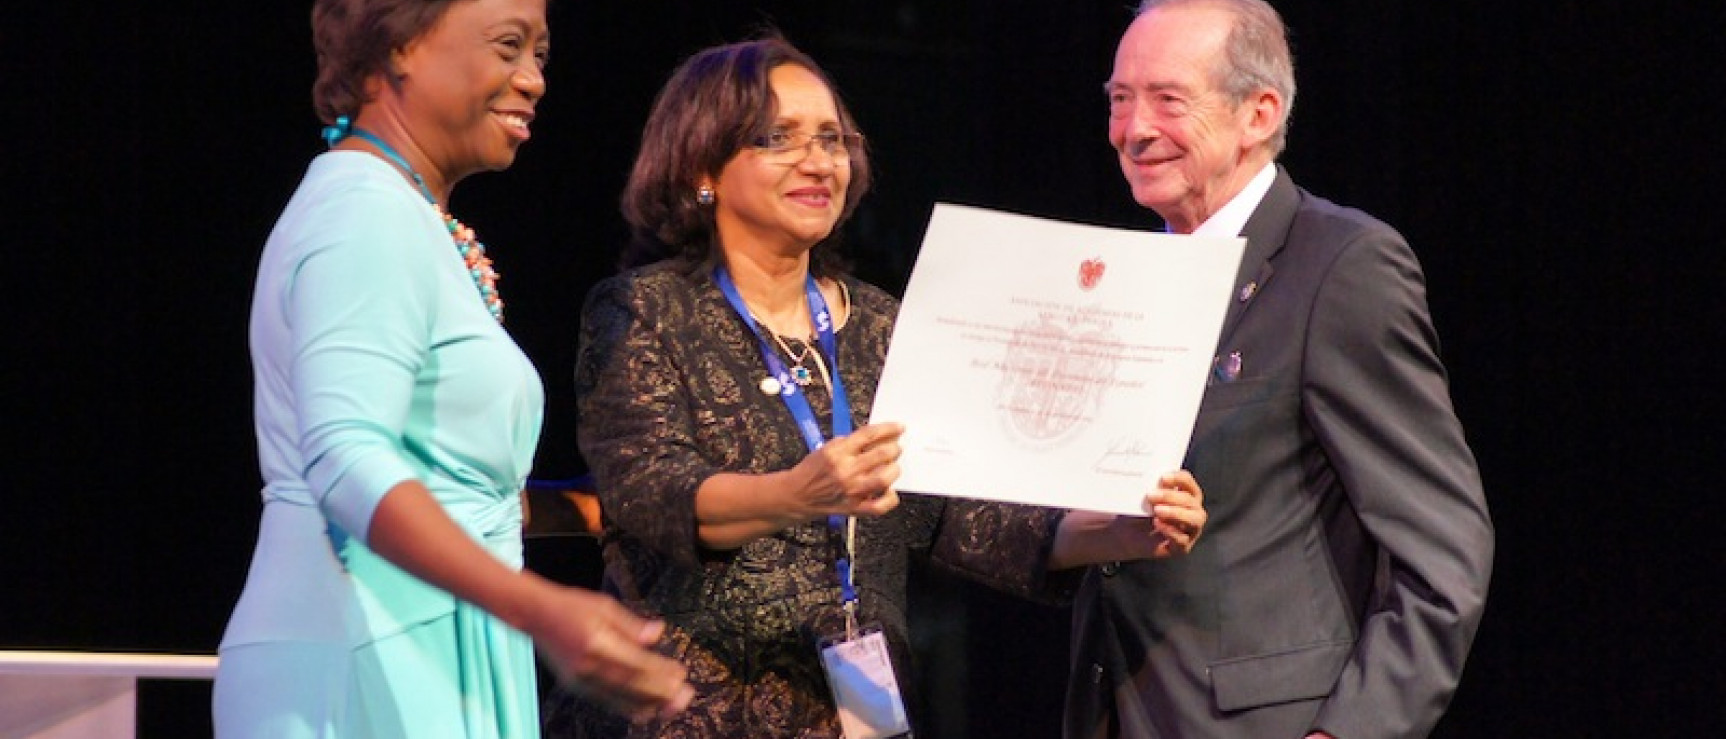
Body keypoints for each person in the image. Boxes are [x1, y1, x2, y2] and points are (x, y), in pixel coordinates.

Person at [542, 36, 1208, 738]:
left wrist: (1121, 529)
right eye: (777, 138)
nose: (817, 160)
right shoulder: (643, 310)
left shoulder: (879, 324)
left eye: (832, 139)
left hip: (854, 712)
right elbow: (651, 492)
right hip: (683, 712)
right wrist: (800, 492)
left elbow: (956, 515)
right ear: (704, 164)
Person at [213, 0, 692, 735]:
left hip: (422, 636)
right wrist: (542, 608)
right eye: (508, 46)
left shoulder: (404, 214)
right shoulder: (362, 213)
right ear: (399, 45)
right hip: (363, 647)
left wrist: (601, 510)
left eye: (541, 54)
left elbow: (441, 477)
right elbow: (345, 460)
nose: (532, 79)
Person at [1064, 1, 1496, 737]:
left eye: (1168, 100)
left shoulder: (1341, 265)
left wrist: (1348, 731)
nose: (1134, 130)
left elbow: (1445, 551)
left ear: (1259, 113)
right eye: (1119, 99)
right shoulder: (1121, 281)